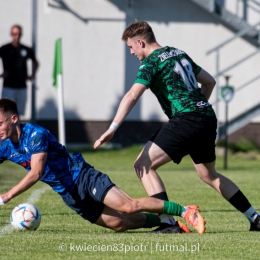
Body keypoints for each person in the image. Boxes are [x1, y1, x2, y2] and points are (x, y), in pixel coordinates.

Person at [94, 21, 260, 232]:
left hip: (186, 119)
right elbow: (209, 82)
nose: (131, 52)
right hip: (207, 117)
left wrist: (113, 127)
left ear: (140, 42)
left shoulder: (151, 63)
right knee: (209, 174)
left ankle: (167, 222)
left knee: (143, 164)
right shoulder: (177, 53)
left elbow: (132, 95)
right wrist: (198, 106)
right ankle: (255, 217)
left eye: (131, 47)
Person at [0, 98, 206, 234]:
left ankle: (185, 211)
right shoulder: (5, 146)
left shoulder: (36, 135)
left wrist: (6, 196)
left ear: (14, 119)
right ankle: (167, 224)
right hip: (69, 194)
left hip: (83, 177)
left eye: (0, 123)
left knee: (128, 206)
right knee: (119, 224)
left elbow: (36, 172)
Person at [0, 25, 39, 116]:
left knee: (19, 113)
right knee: (5, 112)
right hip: (8, 86)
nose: (16, 36)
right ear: (11, 34)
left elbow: (35, 63)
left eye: (18, 34)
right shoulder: (4, 48)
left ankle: (17, 130)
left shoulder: (26, 49)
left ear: (21, 34)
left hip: (22, 86)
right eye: (14, 34)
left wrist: (32, 75)